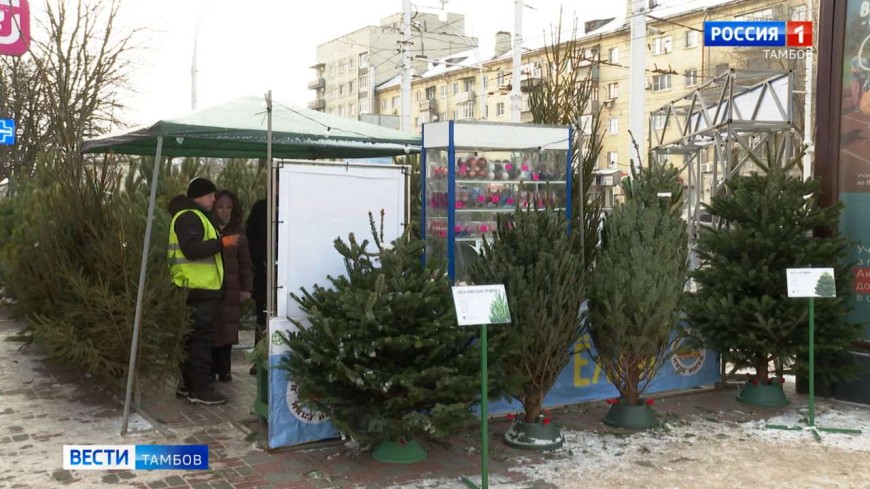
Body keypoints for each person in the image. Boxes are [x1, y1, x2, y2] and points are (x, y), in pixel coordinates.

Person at [168, 177, 239, 405]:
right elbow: (192, 250)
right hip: (198, 289)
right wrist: (223, 243)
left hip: (195, 288)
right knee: (200, 342)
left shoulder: (191, 216)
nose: (214, 199)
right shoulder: (190, 216)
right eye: (210, 195)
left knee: (191, 341)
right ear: (199, 196)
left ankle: (189, 386)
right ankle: (200, 390)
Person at [210, 190, 253, 382]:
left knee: (228, 328)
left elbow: (245, 262)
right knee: (211, 327)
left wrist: (246, 288)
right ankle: (210, 368)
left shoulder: (237, 232)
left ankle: (225, 369)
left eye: (228, 207)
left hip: (231, 286)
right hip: (210, 285)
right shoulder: (208, 228)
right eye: (220, 207)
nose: (224, 211)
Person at [245, 199, 268, 375]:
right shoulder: (261, 208)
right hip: (264, 274)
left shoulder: (293, 202)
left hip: (288, 272)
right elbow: (250, 238)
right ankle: (259, 359)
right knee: (262, 319)